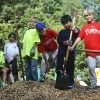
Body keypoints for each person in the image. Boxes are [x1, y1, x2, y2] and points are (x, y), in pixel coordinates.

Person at [69, 8, 100, 89]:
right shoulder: (84, 27)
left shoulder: (98, 25)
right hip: (89, 52)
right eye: (86, 15)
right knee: (91, 68)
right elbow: (79, 38)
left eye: (90, 15)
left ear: (93, 15)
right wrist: (73, 46)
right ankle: (93, 84)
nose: (88, 17)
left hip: (99, 51)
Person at [56, 15, 80, 88]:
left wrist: (75, 29)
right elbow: (59, 40)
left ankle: (70, 82)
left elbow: (80, 36)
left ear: (71, 22)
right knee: (60, 53)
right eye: (64, 23)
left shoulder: (75, 30)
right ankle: (59, 69)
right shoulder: (62, 32)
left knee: (70, 65)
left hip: (71, 50)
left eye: (67, 22)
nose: (66, 24)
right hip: (63, 48)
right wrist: (65, 42)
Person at [22, 17, 40, 81]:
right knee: (27, 67)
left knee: (33, 67)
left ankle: (35, 80)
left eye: (35, 22)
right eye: (32, 21)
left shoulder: (37, 31)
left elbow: (36, 41)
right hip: (26, 52)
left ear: (37, 24)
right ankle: (28, 80)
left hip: (33, 52)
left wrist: (33, 48)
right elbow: (24, 42)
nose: (33, 23)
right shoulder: (27, 31)